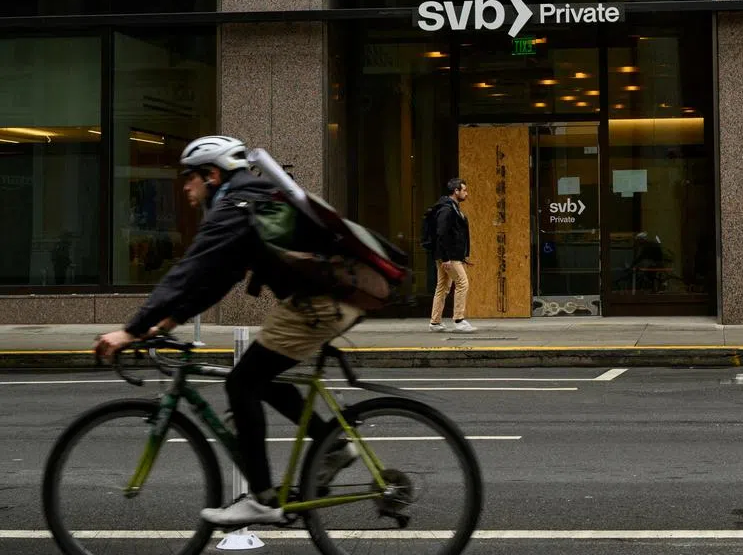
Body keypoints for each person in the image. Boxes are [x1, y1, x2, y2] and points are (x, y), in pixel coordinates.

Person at [94, 135, 363, 527]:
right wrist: (169, 321)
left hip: (320, 302)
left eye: (189, 178)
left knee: (242, 384)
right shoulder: (247, 200)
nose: (185, 187)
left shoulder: (236, 205)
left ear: (212, 174)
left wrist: (130, 330)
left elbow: (191, 269)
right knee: (257, 379)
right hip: (325, 298)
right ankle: (331, 444)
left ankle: (263, 498)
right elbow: (219, 278)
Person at [428, 177, 477, 333]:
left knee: (442, 287)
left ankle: (435, 322)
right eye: (464, 190)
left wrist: (462, 256)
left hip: (449, 256)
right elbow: (441, 234)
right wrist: (446, 258)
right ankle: (459, 319)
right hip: (449, 257)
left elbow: (455, 234)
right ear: (456, 191)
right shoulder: (447, 209)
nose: (466, 194)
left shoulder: (451, 207)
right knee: (462, 283)